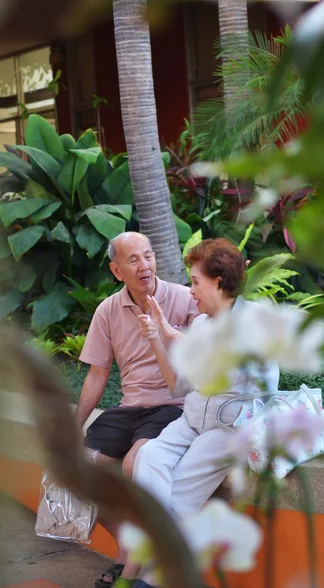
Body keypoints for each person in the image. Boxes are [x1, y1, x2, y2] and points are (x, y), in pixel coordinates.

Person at [75, 231, 197, 587]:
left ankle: (130, 570)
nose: (145, 266)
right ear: (116, 270)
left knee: (134, 464)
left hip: (172, 405)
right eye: (134, 260)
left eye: (148, 256)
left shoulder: (183, 298)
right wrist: (74, 424)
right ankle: (126, 547)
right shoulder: (107, 310)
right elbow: (98, 375)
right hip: (130, 408)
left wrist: (163, 331)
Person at [133, 238, 280, 520]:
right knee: (148, 455)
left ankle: (151, 559)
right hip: (192, 421)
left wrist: (174, 336)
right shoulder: (201, 323)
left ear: (219, 282)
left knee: (177, 496)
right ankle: (152, 545)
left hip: (228, 429)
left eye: (196, 282)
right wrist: (157, 338)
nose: (191, 291)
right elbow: (181, 387)